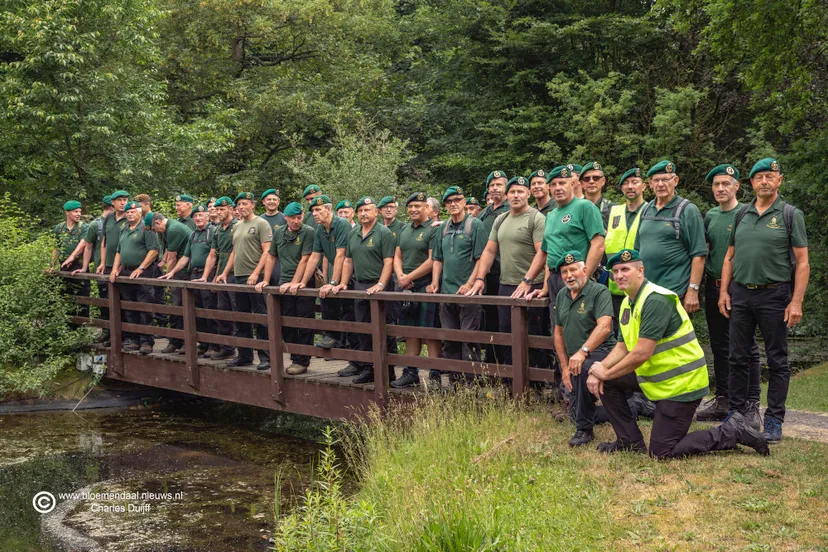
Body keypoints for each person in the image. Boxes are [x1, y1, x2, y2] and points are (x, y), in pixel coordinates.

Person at [586, 249, 769, 458]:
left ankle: (731, 431)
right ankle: (629, 442)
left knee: (662, 452)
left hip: (682, 384)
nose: (619, 275)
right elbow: (623, 347)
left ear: (640, 270)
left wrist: (605, 373)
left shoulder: (655, 300)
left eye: (625, 269)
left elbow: (641, 353)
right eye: (615, 271)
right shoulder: (628, 303)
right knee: (607, 382)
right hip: (659, 379)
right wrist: (601, 369)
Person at [719, 158, 809, 443]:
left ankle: (773, 420)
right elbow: (729, 256)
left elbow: (803, 262)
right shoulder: (741, 213)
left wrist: (796, 302)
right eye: (759, 178)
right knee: (737, 357)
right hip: (742, 293)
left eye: (770, 176)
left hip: (775, 294)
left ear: (779, 180)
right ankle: (735, 415)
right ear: (751, 183)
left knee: (777, 359)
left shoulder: (790, 215)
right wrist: (724, 291)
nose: (764, 182)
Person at [695, 164, 761, 425]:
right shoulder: (710, 215)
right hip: (713, 286)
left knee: (747, 347)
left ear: (737, 186)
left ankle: (750, 404)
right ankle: (723, 399)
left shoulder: (747, 212)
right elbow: (706, 252)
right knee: (720, 346)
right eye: (716, 185)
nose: (720, 188)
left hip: (740, 287)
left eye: (726, 184)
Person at [469, 176, 547, 368]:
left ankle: (536, 383)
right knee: (506, 332)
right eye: (512, 192)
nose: (516, 195)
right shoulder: (501, 219)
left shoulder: (537, 218)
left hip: (532, 285)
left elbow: (542, 252)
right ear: (506, 195)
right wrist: (479, 278)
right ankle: (510, 379)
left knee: (533, 334)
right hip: (506, 285)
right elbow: (488, 251)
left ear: (528, 194)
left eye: (520, 191)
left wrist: (527, 280)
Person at [517, 165, 605, 332]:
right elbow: (547, 252)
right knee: (558, 329)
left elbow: (598, 245)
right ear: (549, 188)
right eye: (554, 184)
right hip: (556, 280)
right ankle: (561, 359)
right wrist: (542, 286)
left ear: (572, 184)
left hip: (578, 276)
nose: (558, 188)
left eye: (562, 183)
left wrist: (584, 277)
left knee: (582, 328)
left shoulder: (584, 207)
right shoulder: (551, 216)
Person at [327, 196, 397, 384]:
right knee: (363, 329)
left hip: (380, 286)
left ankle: (388, 372)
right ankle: (369, 369)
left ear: (376, 212)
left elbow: (388, 262)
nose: (364, 213)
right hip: (360, 285)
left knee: (384, 329)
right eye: (361, 211)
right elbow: (348, 260)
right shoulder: (354, 232)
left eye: (368, 210)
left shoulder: (384, 233)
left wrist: (381, 285)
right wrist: (343, 282)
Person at [553, 251, 615, 447]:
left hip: (603, 352)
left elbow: (604, 327)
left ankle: (584, 431)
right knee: (574, 412)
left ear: (585, 270)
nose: (569, 275)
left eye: (573, 270)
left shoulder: (599, 291)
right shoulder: (562, 295)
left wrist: (582, 352)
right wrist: (564, 367)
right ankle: (631, 407)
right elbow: (558, 333)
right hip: (575, 359)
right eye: (564, 272)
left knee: (581, 369)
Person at [429, 186, 487, 381]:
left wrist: (471, 283)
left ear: (464, 202)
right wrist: (435, 282)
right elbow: (437, 258)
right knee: (449, 338)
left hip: (469, 294)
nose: (453, 203)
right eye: (449, 201)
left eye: (457, 199)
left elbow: (482, 259)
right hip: (446, 292)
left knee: (469, 339)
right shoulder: (443, 228)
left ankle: (471, 383)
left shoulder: (475, 225)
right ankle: (455, 382)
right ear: (445, 205)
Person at [635, 160, 706, 313]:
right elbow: (637, 249)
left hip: (674, 293)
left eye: (665, 179)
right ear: (650, 183)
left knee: (675, 337)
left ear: (675, 181)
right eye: (656, 180)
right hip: (646, 291)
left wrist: (693, 291)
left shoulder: (688, 210)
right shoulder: (646, 210)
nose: (660, 184)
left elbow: (699, 254)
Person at [256, 202, 316, 375]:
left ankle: (303, 361)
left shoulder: (308, 232)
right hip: (283, 282)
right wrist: (266, 280)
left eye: (299, 217)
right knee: (286, 322)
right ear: (286, 218)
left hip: (304, 283)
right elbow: (271, 256)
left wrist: (294, 282)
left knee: (304, 322)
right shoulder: (279, 232)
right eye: (293, 218)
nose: (296, 221)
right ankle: (295, 357)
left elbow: (305, 259)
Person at [390, 192, 441, 388]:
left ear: (427, 208)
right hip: (406, 287)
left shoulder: (433, 229)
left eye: (418, 206)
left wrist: (409, 278)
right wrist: (402, 277)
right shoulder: (404, 230)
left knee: (430, 332)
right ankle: (410, 372)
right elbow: (397, 256)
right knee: (410, 331)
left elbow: (432, 260)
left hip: (426, 285)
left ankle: (435, 375)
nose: (413, 210)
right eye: (410, 206)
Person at [296, 195, 357, 357]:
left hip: (353, 275)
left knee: (350, 314)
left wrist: (332, 281)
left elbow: (341, 255)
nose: (314, 214)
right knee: (326, 298)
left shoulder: (342, 224)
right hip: (339, 275)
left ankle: (354, 356)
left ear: (328, 209)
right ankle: (332, 337)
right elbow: (314, 256)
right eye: (313, 211)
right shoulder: (320, 230)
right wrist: (302, 282)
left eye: (318, 210)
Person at [217, 192, 272, 370]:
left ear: (253, 205)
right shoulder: (237, 225)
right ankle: (244, 355)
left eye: (245, 204)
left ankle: (266, 357)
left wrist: (256, 273)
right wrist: (225, 272)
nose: (241, 207)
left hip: (255, 277)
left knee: (260, 318)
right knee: (241, 317)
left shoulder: (261, 224)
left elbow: (267, 251)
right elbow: (234, 251)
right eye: (239, 204)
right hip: (238, 276)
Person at [159, 205, 219, 356]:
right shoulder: (193, 235)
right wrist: (171, 272)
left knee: (209, 310)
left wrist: (209, 277)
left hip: (208, 275)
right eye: (196, 216)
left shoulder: (213, 232)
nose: (198, 218)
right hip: (194, 275)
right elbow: (185, 257)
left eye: (201, 215)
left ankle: (215, 345)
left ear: (207, 216)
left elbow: (215, 255)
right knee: (197, 310)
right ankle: (204, 343)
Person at [109, 201, 161, 354]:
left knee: (144, 306)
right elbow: (119, 251)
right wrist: (114, 270)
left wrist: (141, 267)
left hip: (142, 272)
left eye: (133, 212)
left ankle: (146, 341)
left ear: (140, 213)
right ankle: (134, 339)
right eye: (127, 212)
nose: (130, 214)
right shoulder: (124, 229)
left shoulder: (146, 228)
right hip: (126, 272)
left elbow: (154, 251)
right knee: (129, 307)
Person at [196, 196, 237, 360]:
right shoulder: (218, 229)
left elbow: (236, 252)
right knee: (222, 311)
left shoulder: (237, 226)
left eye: (222, 209)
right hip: (221, 274)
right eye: (217, 209)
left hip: (236, 273)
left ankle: (245, 351)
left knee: (238, 313)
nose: (219, 212)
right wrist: (206, 277)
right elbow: (213, 255)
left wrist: (225, 273)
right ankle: (227, 347)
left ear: (230, 209)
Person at [605, 168, 646, 320]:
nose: (630, 186)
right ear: (621, 188)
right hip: (615, 286)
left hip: (640, 285)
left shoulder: (651, 211)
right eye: (626, 183)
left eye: (635, 182)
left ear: (643, 186)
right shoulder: (613, 212)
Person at [148, 212, 193, 353]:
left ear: (157, 223)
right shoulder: (167, 229)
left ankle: (185, 342)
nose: (155, 232)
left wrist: (169, 278)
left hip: (184, 271)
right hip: (180, 271)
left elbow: (172, 258)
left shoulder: (173, 229)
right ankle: (176, 341)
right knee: (176, 307)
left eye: (154, 230)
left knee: (181, 307)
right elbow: (168, 251)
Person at [477, 170, 510, 363]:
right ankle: (491, 359)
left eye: (499, 184)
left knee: (504, 319)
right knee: (489, 318)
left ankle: (505, 363)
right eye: (492, 185)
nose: (495, 188)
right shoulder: (484, 213)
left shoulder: (510, 209)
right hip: (486, 272)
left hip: (504, 271)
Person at [96, 190, 131, 344]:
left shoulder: (129, 217)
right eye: (120, 200)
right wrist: (102, 263)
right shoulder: (109, 217)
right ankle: (108, 331)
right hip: (109, 264)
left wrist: (120, 267)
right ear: (113, 203)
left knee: (124, 301)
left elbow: (129, 246)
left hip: (124, 266)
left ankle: (125, 335)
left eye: (125, 200)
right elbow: (104, 241)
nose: (123, 203)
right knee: (106, 300)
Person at [52, 200, 90, 319]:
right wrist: (52, 264)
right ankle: (68, 323)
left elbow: (84, 243)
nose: (79, 214)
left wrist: (72, 257)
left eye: (79, 211)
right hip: (63, 265)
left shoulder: (83, 227)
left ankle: (82, 323)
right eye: (75, 211)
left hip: (79, 265)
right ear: (67, 212)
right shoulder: (59, 228)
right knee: (65, 294)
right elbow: (56, 248)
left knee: (82, 294)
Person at [580, 162, 614, 228]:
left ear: (603, 181)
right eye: (587, 179)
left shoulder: (613, 209)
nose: (591, 181)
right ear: (581, 183)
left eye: (596, 178)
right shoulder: (575, 208)